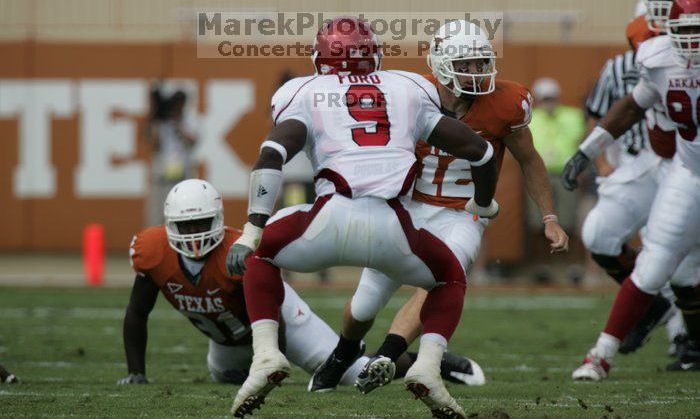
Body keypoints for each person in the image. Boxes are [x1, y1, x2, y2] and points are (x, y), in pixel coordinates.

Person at [227, 16, 500, 418]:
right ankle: (426, 365)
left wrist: (252, 229)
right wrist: (483, 203)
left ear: (320, 58)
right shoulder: (409, 87)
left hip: (327, 219)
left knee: (260, 255)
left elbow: (271, 156)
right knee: (449, 278)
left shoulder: (303, 91)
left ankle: (266, 355)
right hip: (394, 226)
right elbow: (481, 152)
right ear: (374, 54)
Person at [309, 20, 569, 396]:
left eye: (481, 63)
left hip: (463, 214)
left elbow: (530, 160)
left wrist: (550, 217)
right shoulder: (411, 94)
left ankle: (388, 355)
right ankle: (345, 351)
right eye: (467, 64)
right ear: (442, 64)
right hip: (407, 206)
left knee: (443, 275)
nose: (477, 72)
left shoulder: (505, 103)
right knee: (364, 305)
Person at [119, 178, 484, 389]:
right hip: (226, 340)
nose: (195, 234)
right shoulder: (153, 252)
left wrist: (273, 366)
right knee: (222, 376)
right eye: (186, 227)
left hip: (281, 321)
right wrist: (136, 374)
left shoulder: (236, 253)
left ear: (217, 219)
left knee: (354, 374)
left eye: (201, 224)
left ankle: (417, 360)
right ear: (169, 226)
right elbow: (137, 313)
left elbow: (269, 313)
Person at [562, 0, 700, 379]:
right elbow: (631, 107)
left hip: (680, 169)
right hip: (687, 174)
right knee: (659, 262)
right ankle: (601, 354)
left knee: (686, 272)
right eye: (685, 29)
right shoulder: (658, 60)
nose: (692, 39)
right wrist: (588, 151)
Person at [528, 77, 585, 234]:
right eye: (545, 99)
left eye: (551, 98)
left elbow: (583, 141)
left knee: (568, 218)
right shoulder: (530, 118)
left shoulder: (574, 116)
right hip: (539, 173)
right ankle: (541, 258)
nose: (549, 102)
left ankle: (565, 257)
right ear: (538, 99)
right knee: (537, 219)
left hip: (566, 173)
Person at [146, 83, 199, 226]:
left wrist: (177, 123)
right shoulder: (160, 122)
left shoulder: (189, 119)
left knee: (183, 214)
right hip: (162, 176)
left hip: (183, 174)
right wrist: (157, 118)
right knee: (157, 216)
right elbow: (153, 145)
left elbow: (193, 140)